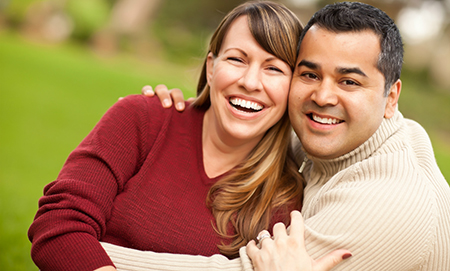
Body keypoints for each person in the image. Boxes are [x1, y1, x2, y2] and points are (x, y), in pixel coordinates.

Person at [123, 1, 450, 270]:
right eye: (310, 74)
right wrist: (189, 112)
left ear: (391, 98)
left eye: (349, 82)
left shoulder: (388, 205)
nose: (323, 97)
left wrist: (87, 253)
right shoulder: (330, 134)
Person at [28, 2, 350, 271]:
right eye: (237, 59)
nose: (251, 82)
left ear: (293, 87)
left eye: (273, 69)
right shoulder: (143, 118)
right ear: (211, 67)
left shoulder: (284, 198)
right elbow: (58, 224)